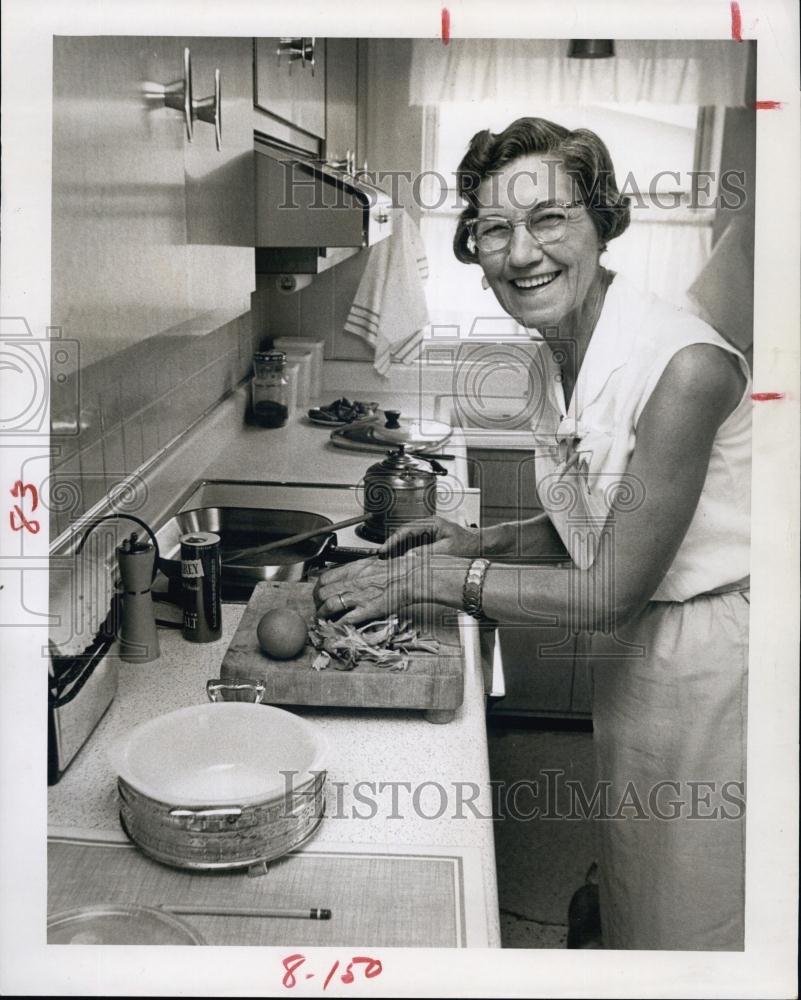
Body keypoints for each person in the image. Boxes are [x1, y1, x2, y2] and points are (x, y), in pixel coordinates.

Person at [314, 118, 751, 951]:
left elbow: (610, 588)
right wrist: (477, 542)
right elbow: (598, 518)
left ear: (601, 220)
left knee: (691, 909)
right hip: (652, 659)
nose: (521, 254)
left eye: (548, 219)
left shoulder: (684, 364)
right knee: (640, 866)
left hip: (716, 667)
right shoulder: (567, 348)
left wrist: (431, 580)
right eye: (494, 230)